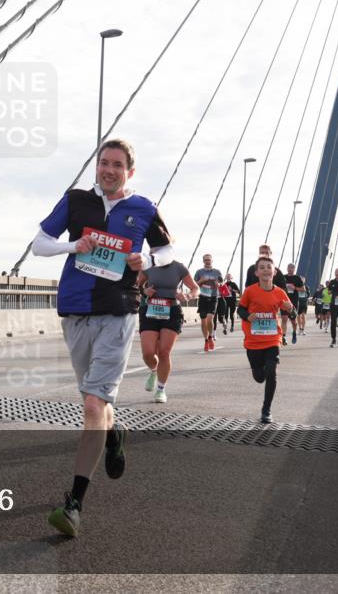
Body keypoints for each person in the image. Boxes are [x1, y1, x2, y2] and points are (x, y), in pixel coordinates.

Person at [32, 138, 174, 537]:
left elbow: (167, 250)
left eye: (117, 165)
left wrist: (146, 259)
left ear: (130, 171)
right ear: (97, 166)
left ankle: (74, 504)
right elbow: (39, 244)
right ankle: (114, 434)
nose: (109, 170)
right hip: (76, 310)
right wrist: (73, 245)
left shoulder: (143, 208)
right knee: (94, 401)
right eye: (104, 163)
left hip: (118, 311)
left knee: (94, 403)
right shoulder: (76, 200)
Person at [237, 256, 296, 423]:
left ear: (274, 271)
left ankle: (266, 410)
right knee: (259, 377)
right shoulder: (250, 291)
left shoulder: (280, 292)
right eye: (262, 267)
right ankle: (258, 370)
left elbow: (293, 314)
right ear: (256, 273)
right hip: (253, 340)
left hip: (272, 338)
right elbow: (240, 310)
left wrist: (291, 309)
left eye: (269, 267)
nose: (265, 270)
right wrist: (248, 316)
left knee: (271, 372)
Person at [137, 260, 199, 403]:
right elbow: (135, 285)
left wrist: (188, 296)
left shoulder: (179, 267)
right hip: (150, 309)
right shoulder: (148, 264)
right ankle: (154, 370)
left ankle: (161, 389)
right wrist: (144, 291)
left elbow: (195, 288)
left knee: (164, 352)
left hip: (172, 310)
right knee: (148, 353)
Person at [194, 255, 223, 352]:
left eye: (209, 260)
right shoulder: (199, 272)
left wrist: (218, 284)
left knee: (210, 318)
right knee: (203, 321)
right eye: (205, 260)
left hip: (213, 297)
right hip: (202, 297)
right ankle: (206, 340)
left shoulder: (217, 272)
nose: (207, 261)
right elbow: (194, 285)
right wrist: (201, 281)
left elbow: (221, 283)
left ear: (212, 261)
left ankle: (210, 336)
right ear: (203, 261)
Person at [282, 263, 305, 345]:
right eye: (289, 267)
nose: (290, 269)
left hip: (294, 302)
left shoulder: (297, 278)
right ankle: (283, 337)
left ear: (294, 269)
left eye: (292, 268)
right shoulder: (283, 277)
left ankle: (294, 333)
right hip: (284, 302)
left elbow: (303, 289)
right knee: (284, 319)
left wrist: (294, 288)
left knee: (293, 321)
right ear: (287, 268)